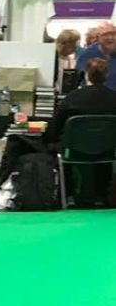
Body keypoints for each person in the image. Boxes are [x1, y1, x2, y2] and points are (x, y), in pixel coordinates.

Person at [45, 57, 116, 205]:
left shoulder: (72, 98)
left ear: (86, 74)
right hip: (108, 150)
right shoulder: (113, 98)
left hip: (74, 150)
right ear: (106, 75)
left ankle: (69, 193)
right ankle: (102, 195)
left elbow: (55, 126)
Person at [77, 21, 116, 89]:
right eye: (105, 34)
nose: (110, 37)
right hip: (95, 94)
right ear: (98, 37)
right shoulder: (87, 55)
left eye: (113, 34)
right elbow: (83, 79)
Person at [54, 29, 81, 95]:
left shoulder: (72, 59)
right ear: (66, 43)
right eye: (74, 44)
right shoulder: (53, 58)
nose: (76, 47)